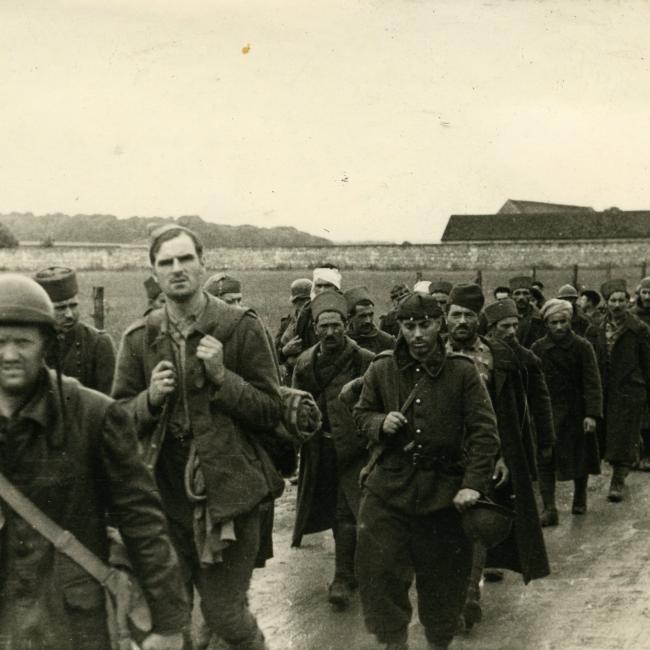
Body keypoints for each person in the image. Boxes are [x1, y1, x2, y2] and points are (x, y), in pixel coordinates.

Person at [112, 225, 284, 650]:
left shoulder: (238, 327)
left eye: (185, 258)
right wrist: (150, 400)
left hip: (229, 498)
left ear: (201, 262)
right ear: (154, 271)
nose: (177, 269)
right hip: (162, 501)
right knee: (170, 621)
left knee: (224, 614)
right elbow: (116, 420)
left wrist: (224, 378)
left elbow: (270, 409)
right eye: (166, 262)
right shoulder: (139, 339)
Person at [0, 274, 188, 650]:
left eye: (23, 342)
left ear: (46, 347)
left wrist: (167, 626)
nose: (8, 355)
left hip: (74, 625)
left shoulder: (94, 416)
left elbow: (142, 521)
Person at [353, 292, 499, 650]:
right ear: (399, 327)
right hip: (388, 489)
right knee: (379, 572)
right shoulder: (382, 368)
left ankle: (438, 643)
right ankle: (394, 643)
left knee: (443, 582)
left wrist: (473, 485)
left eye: (426, 325)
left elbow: (485, 433)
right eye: (408, 325)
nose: (417, 334)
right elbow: (360, 413)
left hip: (444, 494)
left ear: (441, 325)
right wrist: (378, 422)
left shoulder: (462, 371)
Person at [446, 287, 550, 629]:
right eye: (456, 314)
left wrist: (505, 455)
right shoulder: (432, 352)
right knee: (441, 529)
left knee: (476, 524)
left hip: (485, 454)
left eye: (469, 315)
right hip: (441, 456)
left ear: (480, 320)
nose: (462, 322)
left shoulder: (499, 357)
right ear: (446, 317)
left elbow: (514, 414)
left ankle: (467, 598)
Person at [291, 290, 374, 610]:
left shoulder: (362, 359)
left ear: (346, 325)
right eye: (324, 326)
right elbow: (295, 405)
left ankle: (342, 576)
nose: (330, 332)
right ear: (314, 327)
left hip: (355, 450)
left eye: (336, 326)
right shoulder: (305, 362)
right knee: (328, 508)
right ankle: (350, 569)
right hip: (320, 449)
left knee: (347, 511)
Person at [485, 297, 556, 525]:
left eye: (515, 325)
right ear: (491, 329)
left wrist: (546, 440)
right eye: (505, 326)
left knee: (517, 494)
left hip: (517, 433)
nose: (512, 332)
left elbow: (541, 401)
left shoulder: (527, 359)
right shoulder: (482, 357)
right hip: (486, 432)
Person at [531, 299, 603, 518]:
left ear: (570, 321)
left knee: (580, 457)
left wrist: (591, 414)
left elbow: (592, 382)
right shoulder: (538, 348)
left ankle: (580, 497)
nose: (559, 327)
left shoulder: (582, 346)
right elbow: (533, 384)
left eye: (563, 321)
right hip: (548, 412)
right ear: (547, 324)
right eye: (554, 323)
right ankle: (549, 507)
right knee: (545, 460)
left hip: (576, 413)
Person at [586, 279, 650, 502]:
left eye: (622, 300)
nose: (617, 305)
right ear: (607, 302)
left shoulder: (639, 329)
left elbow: (647, 363)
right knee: (607, 433)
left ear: (628, 301)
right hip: (605, 389)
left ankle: (618, 481)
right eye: (613, 300)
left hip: (630, 390)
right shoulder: (596, 328)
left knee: (623, 436)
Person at [33, 266, 116, 394]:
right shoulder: (31, 343)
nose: (69, 314)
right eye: (60, 308)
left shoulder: (98, 343)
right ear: (43, 309)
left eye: (73, 305)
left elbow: (109, 402)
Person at [275, 278, 312, 385]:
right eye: (298, 301)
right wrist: (284, 351)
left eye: (306, 301)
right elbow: (272, 356)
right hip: (290, 377)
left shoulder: (316, 323)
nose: (302, 305)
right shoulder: (287, 323)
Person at [344, 286, 395, 354]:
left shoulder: (387, 341)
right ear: (350, 318)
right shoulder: (343, 342)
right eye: (362, 316)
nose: (368, 320)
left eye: (370, 315)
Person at [509, 276, 546, 348]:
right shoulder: (505, 317)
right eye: (517, 293)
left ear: (531, 295)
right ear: (511, 296)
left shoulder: (539, 318)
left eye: (525, 293)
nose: (521, 297)